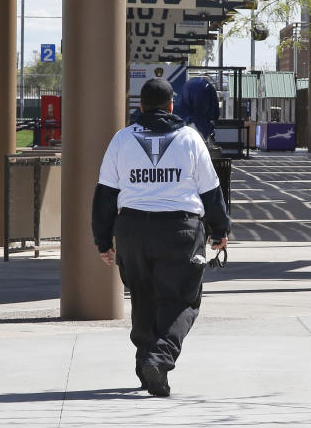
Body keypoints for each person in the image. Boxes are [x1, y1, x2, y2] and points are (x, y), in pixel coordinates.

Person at [91, 77, 230, 397]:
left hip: (132, 231)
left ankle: (147, 367)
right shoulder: (190, 139)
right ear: (171, 105)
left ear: (140, 106)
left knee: (143, 297)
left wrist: (102, 239)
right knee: (183, 299)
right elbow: (211, 191)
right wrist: (220, 230)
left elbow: (105, 195)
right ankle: (159, 357)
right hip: (180, 230)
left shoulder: (121, 140)